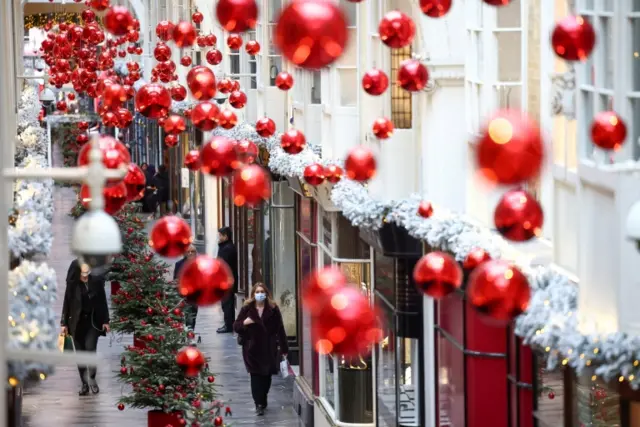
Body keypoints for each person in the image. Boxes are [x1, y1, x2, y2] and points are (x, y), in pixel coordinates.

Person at [233, 283, 288, 415]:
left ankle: (263, 400)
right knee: (255, 377)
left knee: (266, 378)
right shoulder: (247, 309)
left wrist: (284, 349)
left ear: (266, 294)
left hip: (269, 349)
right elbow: (236, 326)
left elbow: (280, 329)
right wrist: (245, 323)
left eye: (262, 291)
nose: (259, 294)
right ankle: (258, 404)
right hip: (252, 349)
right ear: (253, 294)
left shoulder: (273, 309)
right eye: (257, 292)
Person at [60, 259, 110, 396]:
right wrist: (63, 323)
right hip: (76, 323)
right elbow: (67, 303)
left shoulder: (96, 282)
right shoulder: (73, 285)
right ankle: (84, 384)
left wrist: (106, 320)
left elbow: (102, 301)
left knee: (90, 349)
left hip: (92, 323)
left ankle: (92, 379)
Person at [217, 226, 238, 333]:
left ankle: (228, 325)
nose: (218, 237)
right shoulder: (226, 247)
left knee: (227, 304)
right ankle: (229, 324)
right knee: (226, 303)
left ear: (226, 236)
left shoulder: (227, 249)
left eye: (220, 235)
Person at [174, 245, 198, 331]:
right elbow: (175, 279)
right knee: (181, 315)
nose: (190, 253)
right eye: (188, 252)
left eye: (193, 251)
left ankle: (190, 333)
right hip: (181, 294)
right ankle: (182, 333)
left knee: (192, 316)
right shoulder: (179, 264)